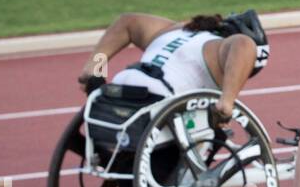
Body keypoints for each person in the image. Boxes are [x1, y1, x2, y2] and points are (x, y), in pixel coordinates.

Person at [77, 9, 269, 124]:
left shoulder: (176, 30)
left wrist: (95, 69)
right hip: (157, 100)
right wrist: (227, 102)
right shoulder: (220, 47)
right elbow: (244, 45)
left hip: (118, 88)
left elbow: (128, 21)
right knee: (207, 130)